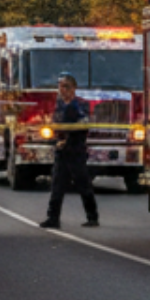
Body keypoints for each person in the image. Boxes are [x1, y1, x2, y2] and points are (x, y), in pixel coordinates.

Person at [40, 72, 99, 229]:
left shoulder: (80, 105)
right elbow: (54, 125)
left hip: (76, 150)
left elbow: (83, 126)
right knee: (57, 186)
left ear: (74, 88)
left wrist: (68, 140)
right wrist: (57, 141)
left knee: (83, 184)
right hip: (62, 152)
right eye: (60, 86)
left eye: (66, 86)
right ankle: (53, 218)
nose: (62, 90)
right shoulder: (58, 106)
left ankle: (92, 217)